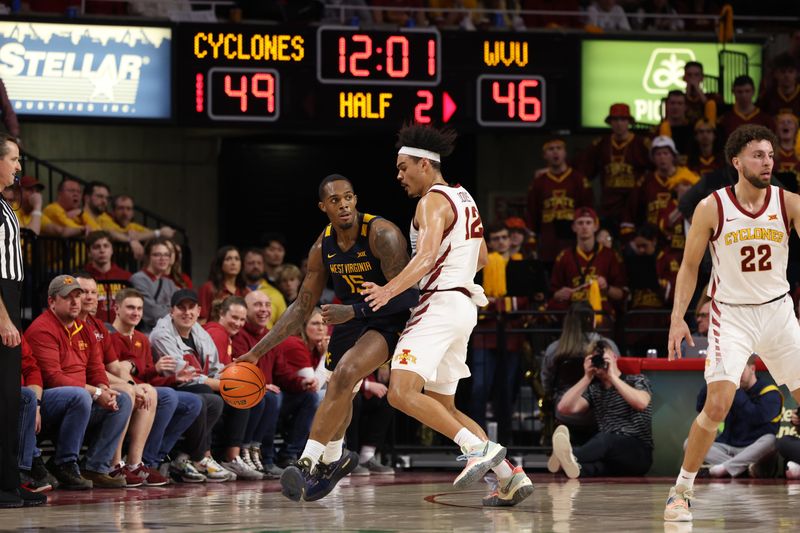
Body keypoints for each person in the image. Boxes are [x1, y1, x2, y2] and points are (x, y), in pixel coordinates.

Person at [361, 125, 533, 507]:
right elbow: (484, 257)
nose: (399, 176)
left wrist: (388, 290)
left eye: (404, 168)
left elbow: (425, 257)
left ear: (425, 163)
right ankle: (509, 477)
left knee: (400, 393)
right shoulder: (464, 197)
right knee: (445, 406)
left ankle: (475, 448)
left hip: (437, 304)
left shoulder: (431, 201)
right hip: (463, 308)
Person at [237, 173, 419, 502]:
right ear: (324, 207)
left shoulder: (382, 234)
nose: (344, 204)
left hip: (388, 317)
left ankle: (308, 463)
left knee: (347, 372)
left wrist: (354, 312)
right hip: (351, 318)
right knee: (337, 385)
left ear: (355, 198)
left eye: (348, 197)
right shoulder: (323, 247)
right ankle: (336, 457)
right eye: (335, 200)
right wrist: (256, 352)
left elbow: (408, 296)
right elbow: (300, 308)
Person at [665, 124, 800, 522]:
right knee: (718, 403)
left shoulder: (788, 202)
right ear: (736, 161)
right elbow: (689, 268)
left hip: (777, 311)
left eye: (771, 155)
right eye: (759, 155)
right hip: (732, 314)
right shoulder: (712, 206)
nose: (767, 162)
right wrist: (678, 318)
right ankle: (681, 489)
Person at [25, 275, 133, 489]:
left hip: (79, 402)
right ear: (52, 302)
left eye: (78, 296)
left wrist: (103, 388)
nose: (75, 302)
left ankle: (95, 466)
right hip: (48, 402)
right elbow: (52, 377)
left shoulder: (83, 329)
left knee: (123, 400)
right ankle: (65, 463)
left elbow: (96, 368)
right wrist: (95, 392)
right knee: (80, 395)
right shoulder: (42, 329)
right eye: (68, 298)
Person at [110, 288, 203, 485]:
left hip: (146, 389)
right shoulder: (109, 336)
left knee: (193, 402)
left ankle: (151, 459)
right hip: (122, 391)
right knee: (168, 396)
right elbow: (114, 372)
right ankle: (137, 461)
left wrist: (173, 378)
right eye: (130, 308)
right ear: (116, 309)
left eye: (139, 309)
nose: (136, 313)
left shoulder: (142, 339)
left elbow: (147, 376)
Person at [0, 134, 43, 507]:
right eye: (13, 159)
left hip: (10, 301)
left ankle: (10, 481)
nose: (19, 167)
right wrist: (3, 317)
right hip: (1, 307)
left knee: (10, 399)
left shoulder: (4, 204)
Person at [149, 289, 232, 482]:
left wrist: (231, 380)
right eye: (181, 308)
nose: (187, 313)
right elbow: (183, 374)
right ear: (172, 311)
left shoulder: (199, 332)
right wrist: (219, 384)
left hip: (196, 385)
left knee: (235, 398)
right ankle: (200, 457)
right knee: (205, 396)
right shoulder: (161, 335)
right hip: (170, 385)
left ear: (199, 310)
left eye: (191, 308)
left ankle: (187, 456)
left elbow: (214, 367)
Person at [550, 340, 653, 478]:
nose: (600, 362)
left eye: (602, 357)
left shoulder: (636, 380)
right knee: (585, 469)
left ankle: (566, 456)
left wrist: (612, 376)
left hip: (638, 452)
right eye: (595, 359)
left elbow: (641, 403)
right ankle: (567, 462)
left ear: (614, 357)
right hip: (611, 458)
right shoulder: (595, 390)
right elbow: (563, 408)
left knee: (606, 439)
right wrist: (586, 377)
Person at [541, 302, 619, 444]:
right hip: (599, 414)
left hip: (566, 411)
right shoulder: (608, 346)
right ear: (593, 320)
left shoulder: (554, 349)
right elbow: (619, 378)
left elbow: (547, 384)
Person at [692, 355, 782, 478]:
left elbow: (754, 417)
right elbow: (701, 408)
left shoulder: (771, 393)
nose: (737, 376)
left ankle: (725, 467)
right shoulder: (727, 388)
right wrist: (712, 382)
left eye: (740, 371)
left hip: (754, 448)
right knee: (691, 443)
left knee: (771, 440)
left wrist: (736, 389)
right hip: (728, 447)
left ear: (752, 369)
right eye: (733, 372)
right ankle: (741, 469)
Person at [231, 290, 288, 479]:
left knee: (308, 398)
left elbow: (282, 372)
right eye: (257, 305)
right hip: (244, 389)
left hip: (268, 391)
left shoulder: (271, 336)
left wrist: (303, 381)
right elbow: (239, 369)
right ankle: (249, 452)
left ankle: (281, 456)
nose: (264, 309)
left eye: (267, 304)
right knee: (269, 398)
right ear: (245, 311)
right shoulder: (238, 335)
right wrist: (262, 385)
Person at [578, 103, 651, 239]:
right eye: (615, 120)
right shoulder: (601, 144)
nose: (619, 124)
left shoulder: (641, 144)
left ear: (629, 122)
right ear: (610, 122)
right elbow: (583, 167)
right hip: (609, 206)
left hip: (635, 206)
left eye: (623, 120)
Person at [548, 207, 627, 322]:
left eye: (588, 223)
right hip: (573, 317)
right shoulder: (564, 257)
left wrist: (607, 287)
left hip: (601, 316)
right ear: (574, 227)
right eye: (580, 223)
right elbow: (552, 294)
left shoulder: (610, 255)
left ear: (596, 226)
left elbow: (622, 294)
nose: (584, 226)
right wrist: (559, 294)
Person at [526, 138, 593, 264]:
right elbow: (531, 212)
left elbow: (587, 209)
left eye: (559, 148)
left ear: (565, 152)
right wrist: (531, 239)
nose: (555, 152)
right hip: (547, 242)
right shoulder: (539, 182)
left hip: (573, 241)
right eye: (551, 149)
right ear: (545, 155)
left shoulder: (578, 179)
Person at [83, 230, 132, 324]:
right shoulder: (81, 278)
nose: (102, 250)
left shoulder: (126, 277)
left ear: (112, 250)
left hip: (120, 330)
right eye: (97, 247)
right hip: (90, 330)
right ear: (89, 252)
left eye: (106, 246)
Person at [130, 238, 178, 332]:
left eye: (166, 255)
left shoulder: (170, 283)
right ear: (148, 257)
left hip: (170, 332)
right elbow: (152, 313)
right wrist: (171, 310)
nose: (163, 258)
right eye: (157, 255)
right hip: (147, 334)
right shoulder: (138, 279)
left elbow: (180, 310)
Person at [198, 245, 248, 322]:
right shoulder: (209, 288)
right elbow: (201, 320)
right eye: (228, 259)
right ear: (220, 263)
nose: (233, 263)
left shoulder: (245, 291)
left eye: (237, 259)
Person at [101, 194, 175, 244]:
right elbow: (117, 236)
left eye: (128, 209)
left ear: (133, 213)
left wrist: (161, 234)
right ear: (113, 211)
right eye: (121, 208)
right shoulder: (104, 219)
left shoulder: (133, 226)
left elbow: (153, 236)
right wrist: (159, 232)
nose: (125, 213)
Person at [242, 247, 286, 328]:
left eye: (259, 263)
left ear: (264, 266)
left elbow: (284, 327)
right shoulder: (234, 291)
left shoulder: (276, 294)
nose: (255, 266)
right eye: (251, 263)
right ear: (243, 265)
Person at [756, 52, 800, 117]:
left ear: (797, 74)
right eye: (783, 71)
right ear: (775, 74)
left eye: (790, 71)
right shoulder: (767, 96)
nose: (786, 75)